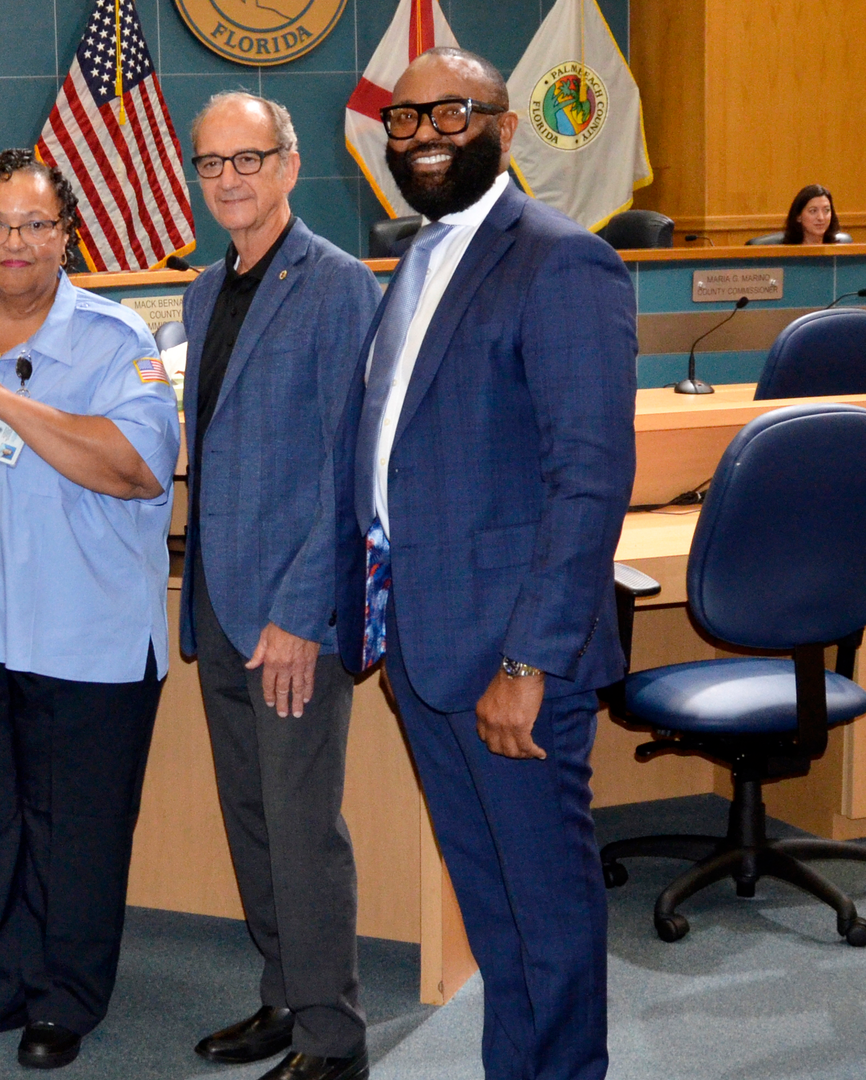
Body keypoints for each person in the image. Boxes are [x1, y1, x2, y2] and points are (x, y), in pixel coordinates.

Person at [337, 48, 636, 1080]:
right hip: (426, 645)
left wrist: (528, 663)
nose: (423, 135)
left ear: (505, 130)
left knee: (545, 915)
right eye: (405, 118)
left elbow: (587, 482)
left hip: (514, 659)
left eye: (451, 114)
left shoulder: (561, 262)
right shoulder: (418, 259)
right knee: (494, 911)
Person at [0, 148, 180, 1071]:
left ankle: (65, 997)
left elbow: (137, 470)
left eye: (36, 224)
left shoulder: (118, 340)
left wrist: (9, 404)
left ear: (68, 236)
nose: (15, 240)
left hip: (84, 633)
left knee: (76, 831)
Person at [178, 93, 380, 1080]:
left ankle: (334, 1037)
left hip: (294, 611)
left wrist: (305, 612)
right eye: (212, 163)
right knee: (251, 818)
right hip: (220, 603)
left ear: (290, 167)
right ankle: (283, 995)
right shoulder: (202, 291)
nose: (229, 179)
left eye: (248, 159)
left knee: (302, 832)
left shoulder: (339, 286)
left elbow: (351, 467)